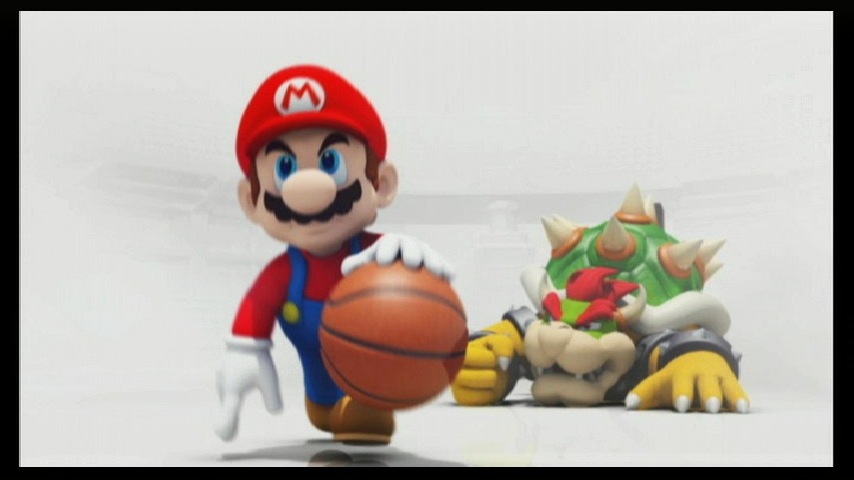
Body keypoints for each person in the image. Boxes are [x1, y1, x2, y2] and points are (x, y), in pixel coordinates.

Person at [213, 64, 455, 446]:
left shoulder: (381, 253)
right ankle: (348, 409)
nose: (307, 189)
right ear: (251, 201)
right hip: (320, 396)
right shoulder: (284, 273)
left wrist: (412, 275)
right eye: (285, 168)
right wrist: (244, 350)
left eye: (331, 163)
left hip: (371, 387)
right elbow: (256, 309)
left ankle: (367, 406)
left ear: (382, 184)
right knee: (329, 413)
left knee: (362, 409)